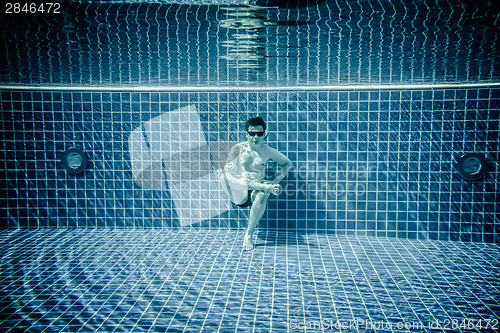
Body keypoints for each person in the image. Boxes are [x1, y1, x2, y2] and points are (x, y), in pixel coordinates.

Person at [221, 117, 293, 250]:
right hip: (239, 193)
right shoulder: (237, 149)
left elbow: (288, 164)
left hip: (254, 192)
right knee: (224, 176)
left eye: (259, 133)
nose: (255, 137)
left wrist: (275, 181)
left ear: (265, 133)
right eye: (252, 133)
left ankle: (248, 235)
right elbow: (228, 173)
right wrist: (231, 170)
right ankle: (265, 187)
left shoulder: (267, 151)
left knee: (263, 194)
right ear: (246, 134)